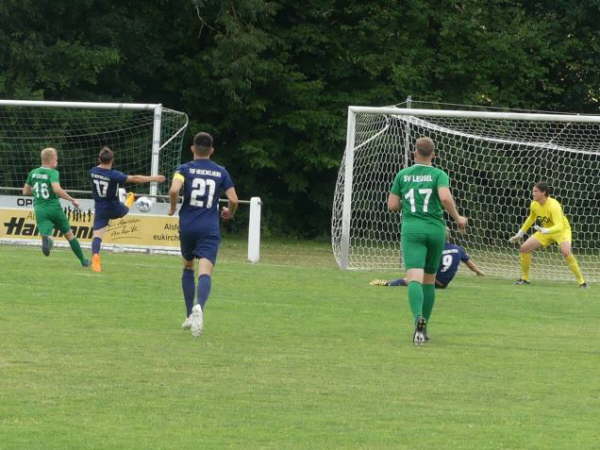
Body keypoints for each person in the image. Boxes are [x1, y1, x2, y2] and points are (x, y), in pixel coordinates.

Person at [387, 137, 467, 345]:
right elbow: (445, 198)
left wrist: (407, 202)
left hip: (412, 230)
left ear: (414, 153)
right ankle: (424, 329)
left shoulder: (403, 175)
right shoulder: (438, 174)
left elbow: (392, 205)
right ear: (433, 154)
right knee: (429, 279)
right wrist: (458, 218)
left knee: (414, 276)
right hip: (435, 230)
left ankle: (417, 320)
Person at [168, 132, 238, 337]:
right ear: (212, 151)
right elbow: (233, 199)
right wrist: (229, 213)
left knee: (188, 266)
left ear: (192, 149)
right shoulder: (221, 172)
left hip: (188, 225)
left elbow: (173, 190)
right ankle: (199, 307)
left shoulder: (184, 169)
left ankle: (190, 313)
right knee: (205, 272)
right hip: (209, 227)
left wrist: (173, 207)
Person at [89, 146, 166, 272]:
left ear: (99, 159)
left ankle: (95, 257)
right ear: (112, 160)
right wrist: (154, 178)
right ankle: (130, 197)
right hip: (113, 206)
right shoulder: (114, 175)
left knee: (97, 236)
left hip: (100, 207)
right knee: (125, 209)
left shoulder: (92, 171)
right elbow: (136, 178)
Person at [508, 182, 587, 288]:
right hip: (545, 230)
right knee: (524, 248)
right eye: (533, 191)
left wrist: (546, 230)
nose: (533, 193)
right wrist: (520, 233)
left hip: (561, 231)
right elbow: (531, 218)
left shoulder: (554, 205)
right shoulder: (534, 204)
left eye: (535, 191)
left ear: (543, 192)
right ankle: (524, 279)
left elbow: (559, 225)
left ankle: (582, 282)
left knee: (566, 252)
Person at [22, 147, 90, 267]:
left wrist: (37, 192)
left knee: (45, 233)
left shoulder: (33, 173)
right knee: (69, 234)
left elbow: (25, 192)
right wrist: (71, 199)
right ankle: (83, 260)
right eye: (56, 159)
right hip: (54, 208)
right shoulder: (53, 173)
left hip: (40, 209)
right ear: (51, 160)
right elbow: (57, 190)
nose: (57, 161)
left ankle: (46, 239)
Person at [370, 231, 484, 289]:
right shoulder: (459, 249)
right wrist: (479, 272)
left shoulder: (434, 250)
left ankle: (387, 284)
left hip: (435, 282)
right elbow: (471, 265)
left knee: (410, 278)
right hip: (444, 284)